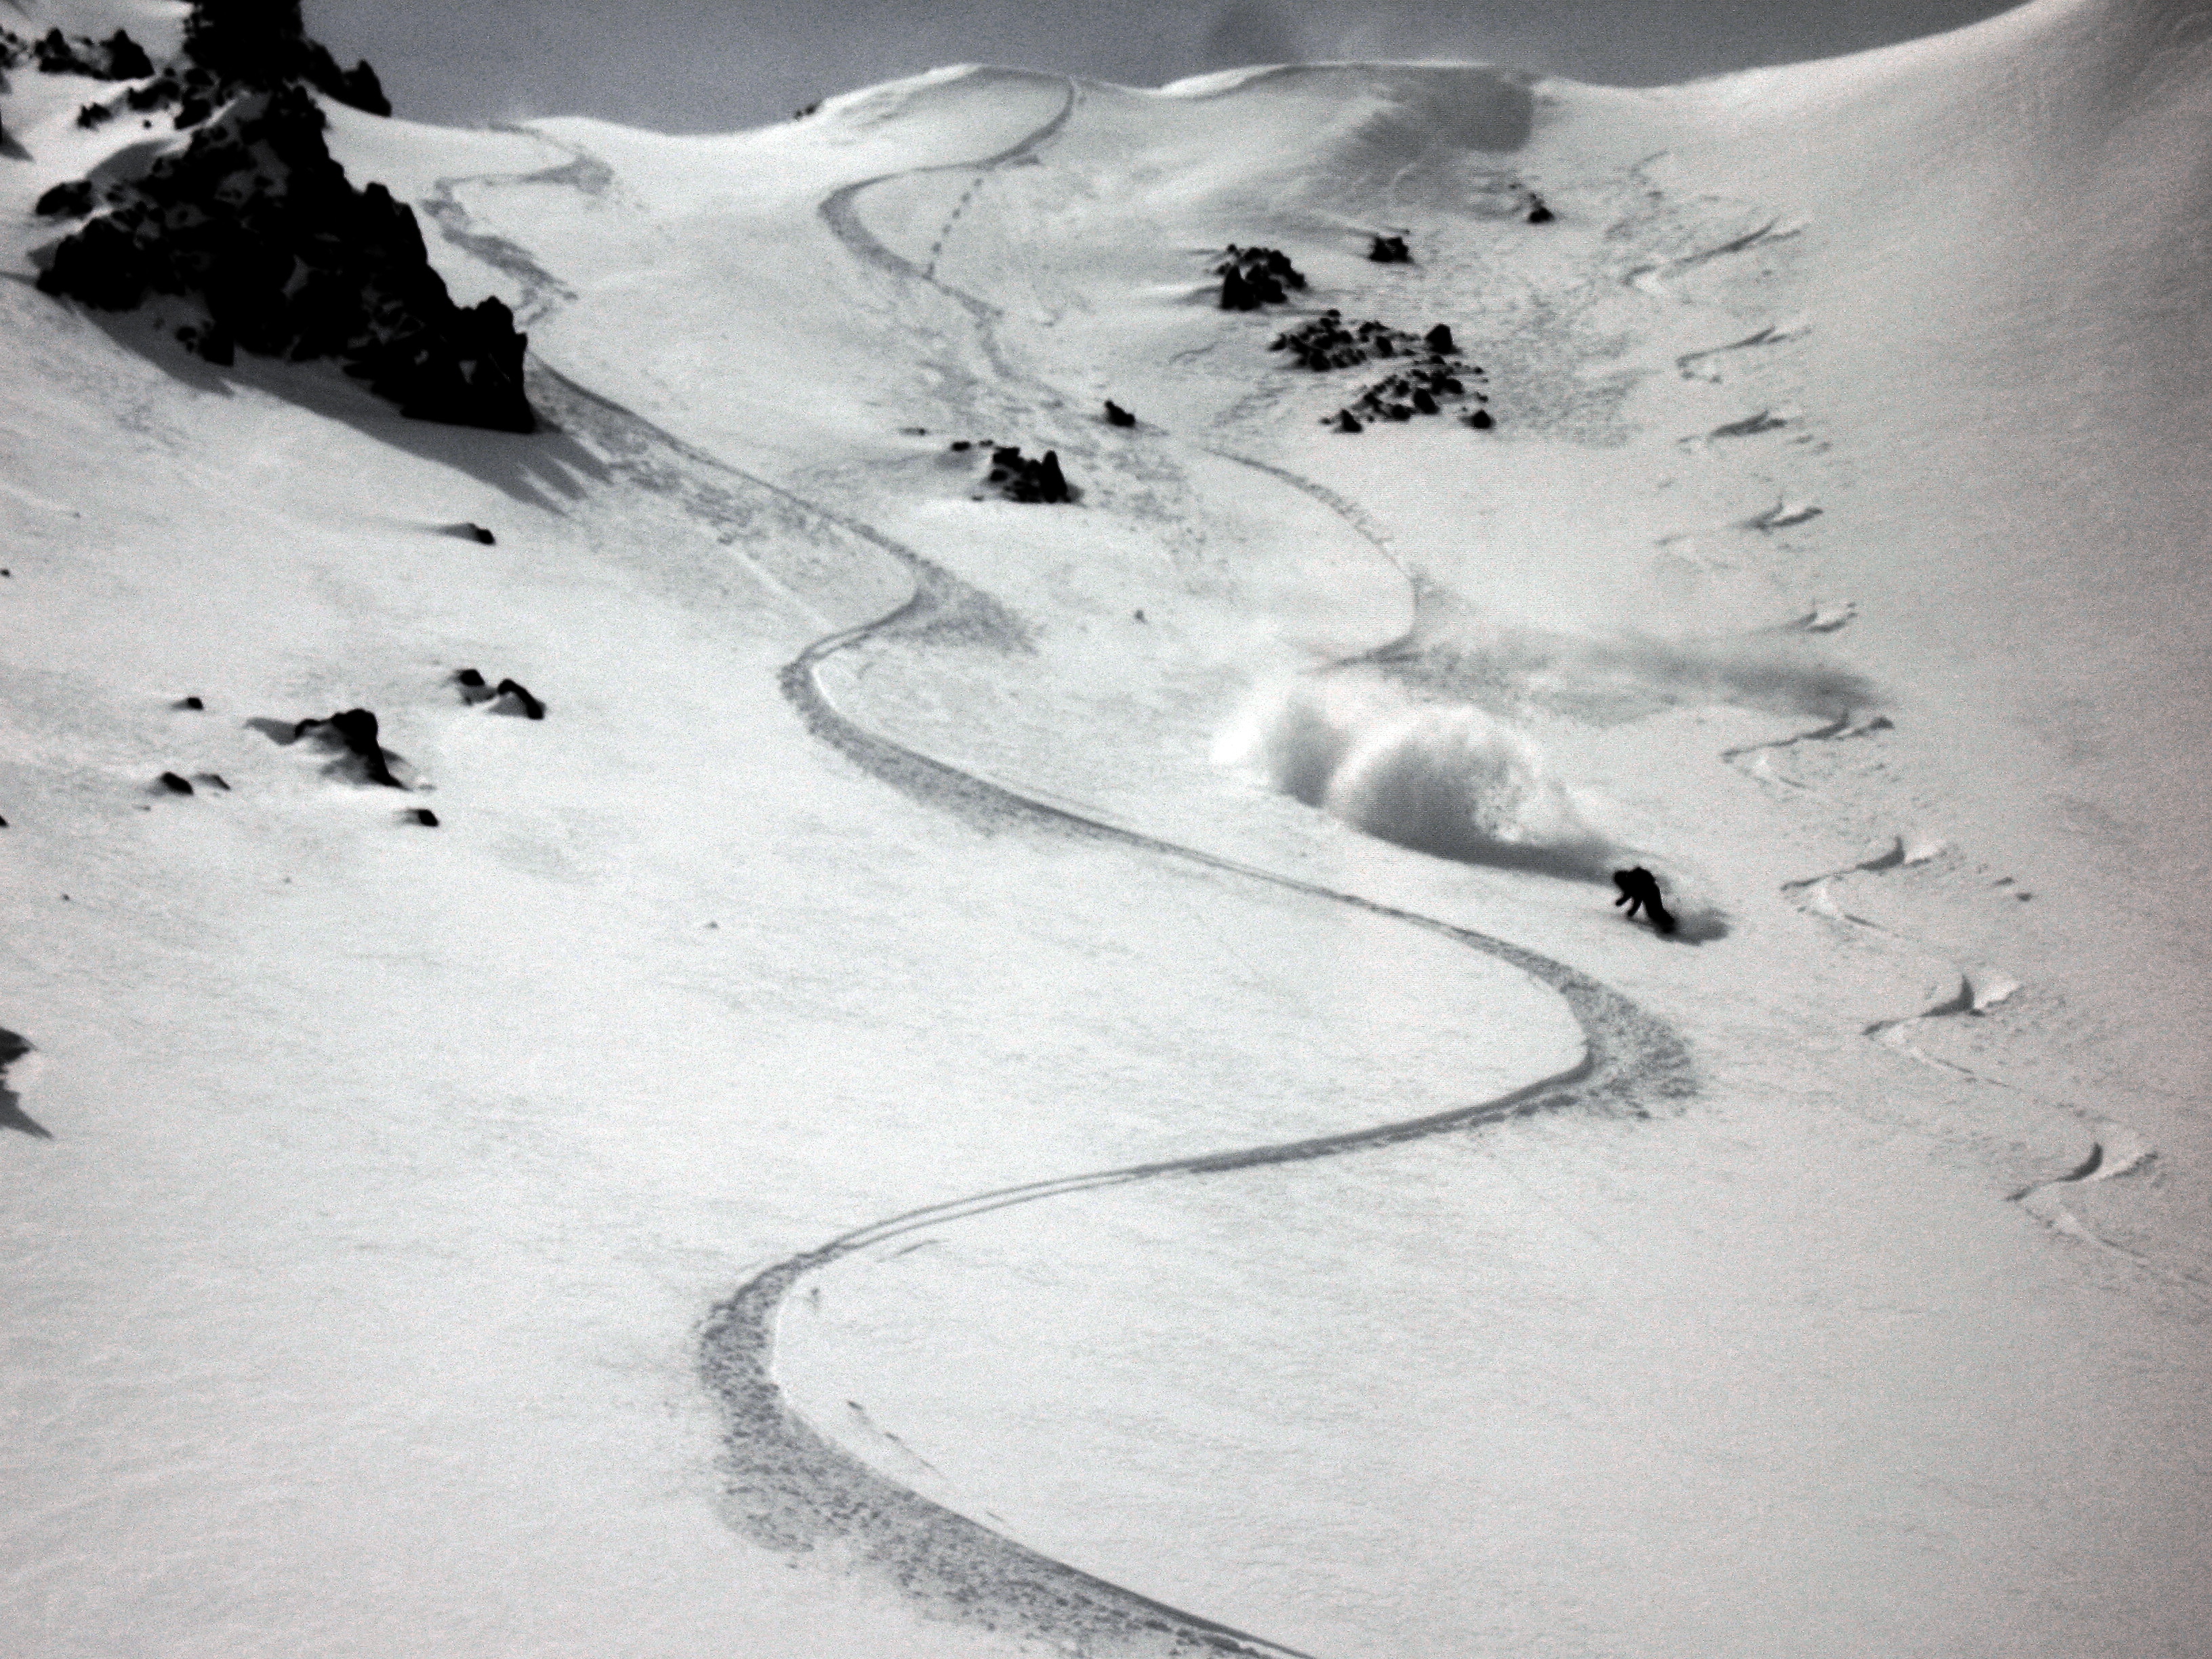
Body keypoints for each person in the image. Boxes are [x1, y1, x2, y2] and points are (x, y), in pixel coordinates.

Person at [1612, 866, 1676, 935]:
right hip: (1651, 890)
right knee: (1654, 911)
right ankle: (1669, 923)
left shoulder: (1631, 882)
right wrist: (1622, 902)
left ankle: (1669, 924)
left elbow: (1637, 898)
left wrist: (1632, 910)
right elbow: (1630, 894)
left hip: (1650, 891)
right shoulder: (1630, 882)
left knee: (1654, 911)